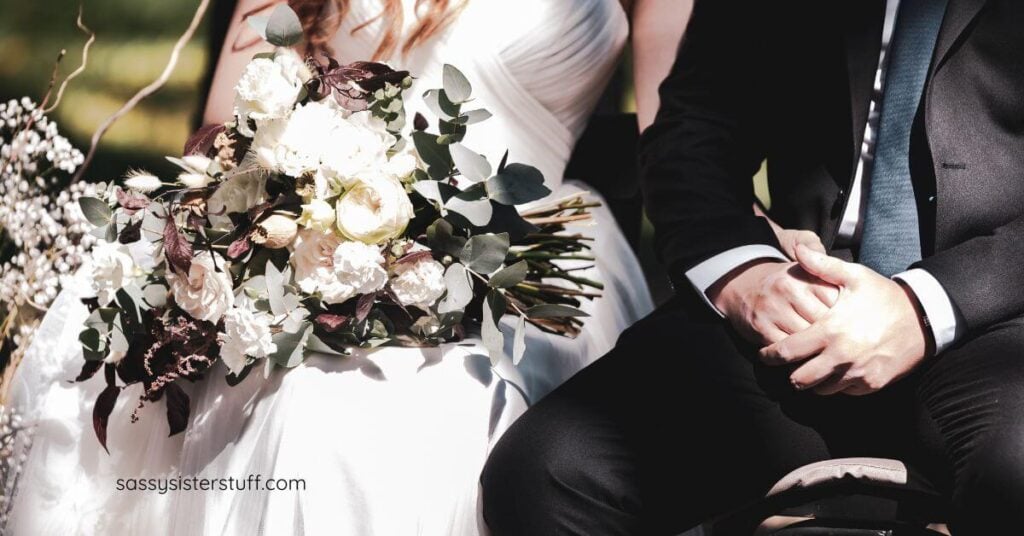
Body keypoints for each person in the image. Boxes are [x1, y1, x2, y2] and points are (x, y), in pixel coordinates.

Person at [6, 0, 690, 534]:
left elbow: (680, 143)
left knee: (412, 410)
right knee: (307, 405)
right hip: (312, 234)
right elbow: (226, 119)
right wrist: (296, 211)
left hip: (516, 263)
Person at [481, 0, 1024, 534]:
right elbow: (691, 129)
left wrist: (924, 306)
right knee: (547, 473)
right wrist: (742, 273)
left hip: (998, 320)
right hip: (796, 301)